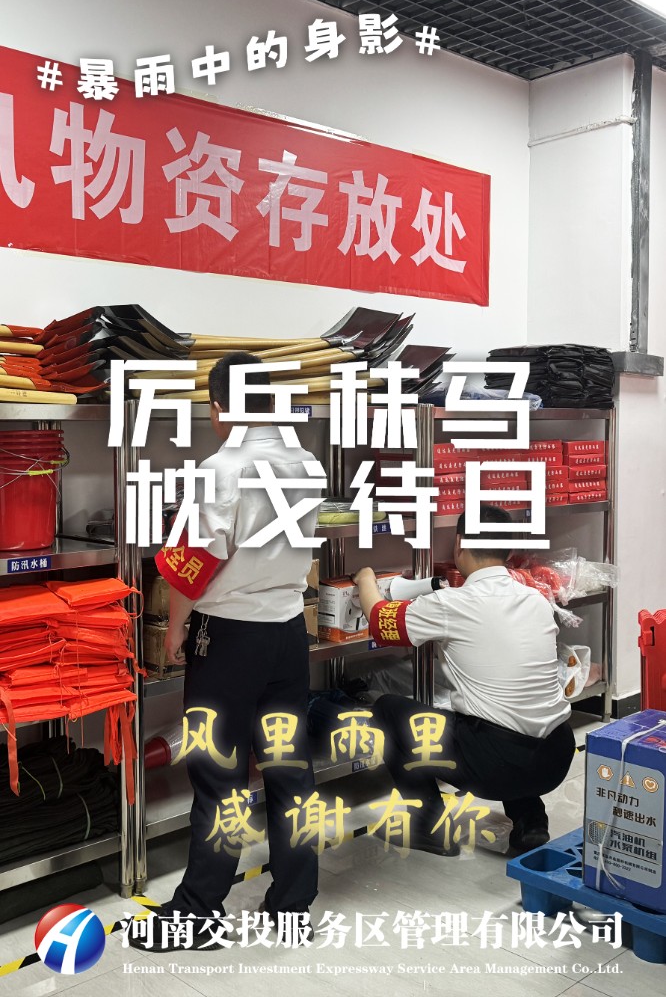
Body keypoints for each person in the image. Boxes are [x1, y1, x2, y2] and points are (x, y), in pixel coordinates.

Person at [130, 352, 321, 952]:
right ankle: (293, 905)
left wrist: (174, 629)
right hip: (288, 632)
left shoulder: (222, 468)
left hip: (231, 636)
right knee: (290, 771)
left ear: (219, 407)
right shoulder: (306, 462)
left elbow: (195, 562)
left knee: (218, 778)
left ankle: (197, 916)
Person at [352, 504, 575, 857]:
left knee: (388, 710)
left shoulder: (452, 603)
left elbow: (381, 622)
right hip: (557, 754)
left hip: (499, 764)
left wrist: (365, 578)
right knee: (510, 710)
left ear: (459, 544)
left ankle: (428, 827)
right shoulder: (535, 599)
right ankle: (531, 822)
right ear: (509, 550)